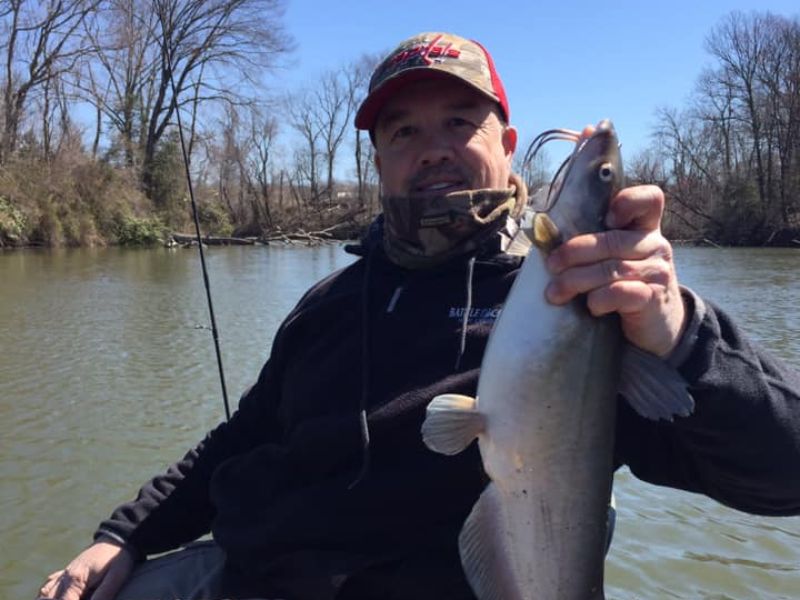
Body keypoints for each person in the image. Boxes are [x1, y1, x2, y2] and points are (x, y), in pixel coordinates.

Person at [38, 32, 800, 600]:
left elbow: (784, 476)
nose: (432, 149)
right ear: (378, 160)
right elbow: (241, 439)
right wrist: (126, 537)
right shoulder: (328, 306)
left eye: (459, 123)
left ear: (506, 145)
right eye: (405, 131)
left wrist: (679, 333)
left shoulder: (589, 306)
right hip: (252, 574)